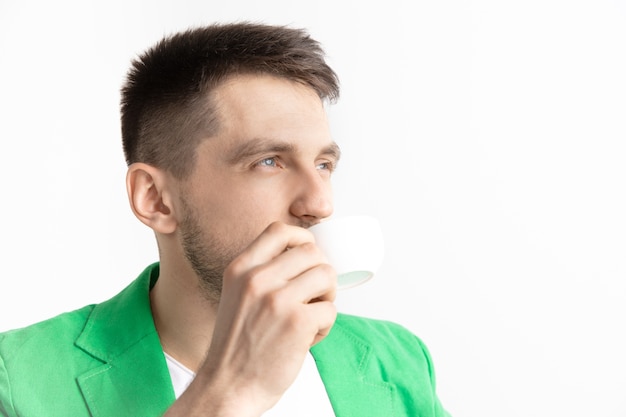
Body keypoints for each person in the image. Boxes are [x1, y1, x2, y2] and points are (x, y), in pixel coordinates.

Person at [0, 22, 450, 416]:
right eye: (269, 161)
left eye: (323, 165)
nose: (320, 203)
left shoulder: (397, 358)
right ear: (156, 199)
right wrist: (230, 392)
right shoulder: (16, 378)